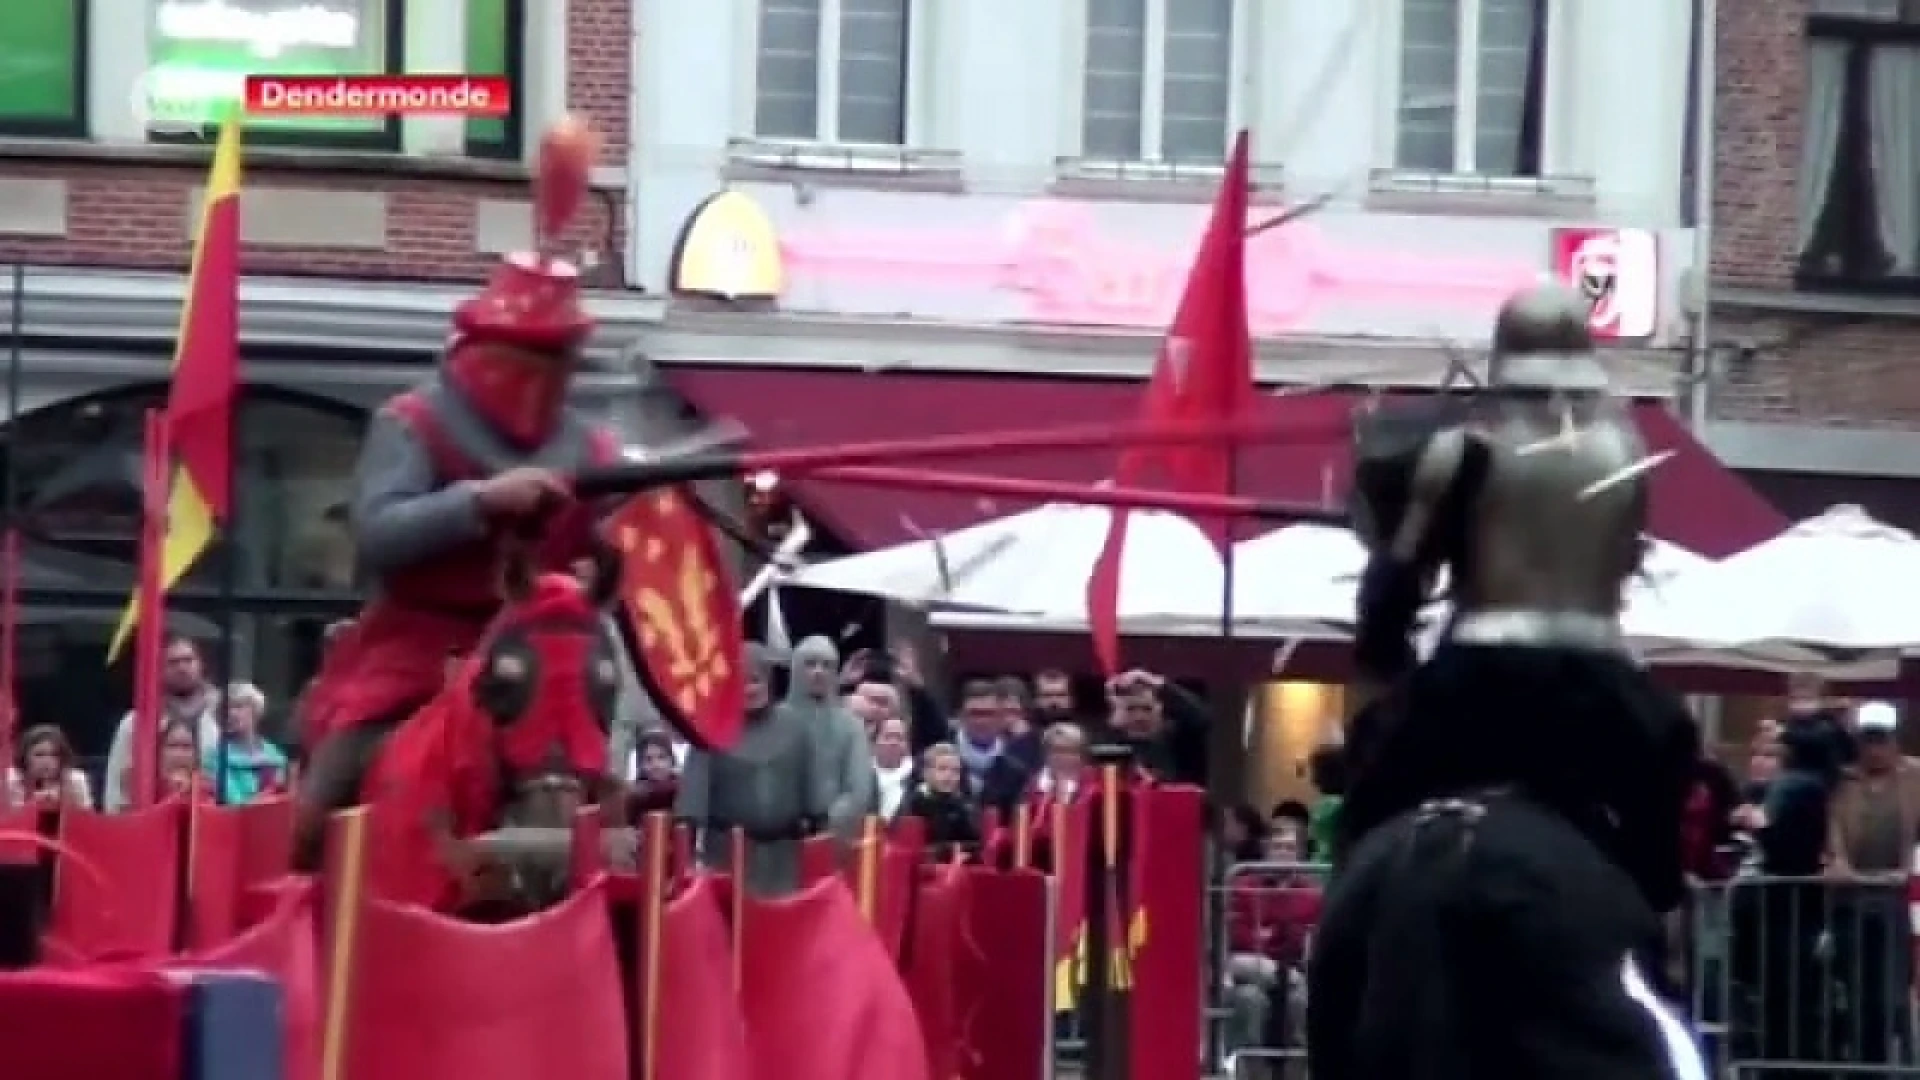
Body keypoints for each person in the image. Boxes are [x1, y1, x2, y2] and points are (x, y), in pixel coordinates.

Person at [1306, 286, 1708, 1080]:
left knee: (1371, 814)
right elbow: (1622, 565)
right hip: (1599, 684)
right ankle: (1663, 951)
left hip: (1476, 678)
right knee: (1656, 843)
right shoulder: (1624, 447)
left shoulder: (1465, 448)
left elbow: (1397, 588)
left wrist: (1385, 643)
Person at [291, 118, 628, 847]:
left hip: (544, 660)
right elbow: (380, 532)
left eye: (557, 360)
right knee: (332, 785)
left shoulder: (589, 443)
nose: (543, 378)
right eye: (529, 356)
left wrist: (613, 543)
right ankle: (302, 896)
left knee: (611, 793)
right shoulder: (412, 422)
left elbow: (603, 552)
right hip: (417, 650)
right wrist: (481, 501)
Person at [676, 644, 832, 896]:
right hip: (726, 859)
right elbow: (690, 811)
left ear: (768, 681)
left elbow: (817, 808)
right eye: (742, 682)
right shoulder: (711, 729)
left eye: (755, 681)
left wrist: (821, 856)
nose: (750, 689)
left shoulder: (795, 728)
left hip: (786, 859)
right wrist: (686, 867)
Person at [103, 635, 221, 811]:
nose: (182, 668)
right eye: (173, 662)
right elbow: (116, 781)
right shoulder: (135, 722)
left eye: (188, 660)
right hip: (150, 820)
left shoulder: (223, 718)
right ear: (160, 670)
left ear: (201, 664)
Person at [786, 635, 875, 840]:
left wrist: (826, 823)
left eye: (826, 666)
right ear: (796, 669)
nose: (818, 671)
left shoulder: (851, 726)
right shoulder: (776, 721)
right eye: (810, 664)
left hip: (832, 836)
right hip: (780, 838)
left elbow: (858, 789)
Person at [207, 682, 290, 805]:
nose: (231, 713)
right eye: (224, 709)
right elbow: (233, 802)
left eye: (238, 706)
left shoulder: (276, 755)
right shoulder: (215, 757)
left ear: (255, 710)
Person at [900, 743, 980, 859]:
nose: (949, 775)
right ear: (926, 773)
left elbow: (973, 844)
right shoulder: (914, 803)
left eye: (955, 771)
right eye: (942, 769)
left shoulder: (960, 806)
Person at [5, 725, 91, 810]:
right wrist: (34, 804)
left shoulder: (75, 780)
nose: (47, 762)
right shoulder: (10, 780)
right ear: (24, 757)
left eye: (54, 755)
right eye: (39, 755)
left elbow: (86, 817)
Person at [870, 715, 916, 820]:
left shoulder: (916, 778)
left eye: (899, 738)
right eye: (888, 737)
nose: (893, 743)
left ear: (907, 744)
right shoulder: (859, 773)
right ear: (875, 741)